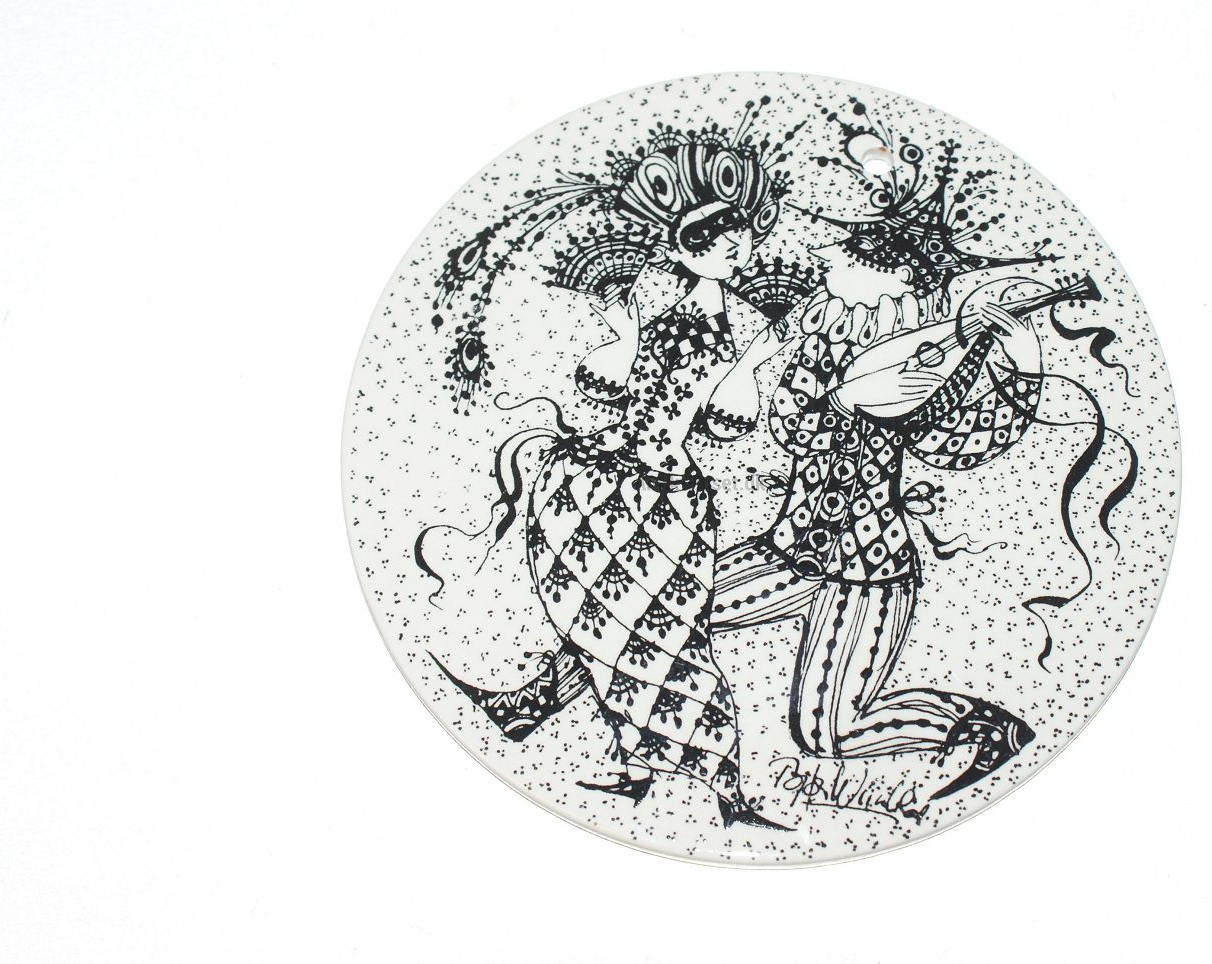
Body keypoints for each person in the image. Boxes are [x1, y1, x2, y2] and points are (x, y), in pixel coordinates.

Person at [428, 120, 795, 830]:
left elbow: (704, 415)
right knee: (619, 629)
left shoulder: (715, 326)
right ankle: (650, 770)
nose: (740, 252)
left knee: (654, 635)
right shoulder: (692, 323)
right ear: (691, 250)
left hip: (646, 491)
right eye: (725, 244)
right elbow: (658, 401)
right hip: (621, 486)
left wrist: (738, 361)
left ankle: (709, 781)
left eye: (742, 243)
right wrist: (648, 341)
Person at [709, 137, 1048, 797]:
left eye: (846, 250)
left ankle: (988, 730)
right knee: (666, 609)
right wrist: (830, 392)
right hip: (788, 551)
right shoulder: (829, 341)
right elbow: (793, 426)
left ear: (891, 275)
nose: (825, 257)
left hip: (869, 570)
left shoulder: (931, 361)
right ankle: (541, 698)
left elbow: (957, 445)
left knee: (827, 734)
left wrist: (1023, 367)